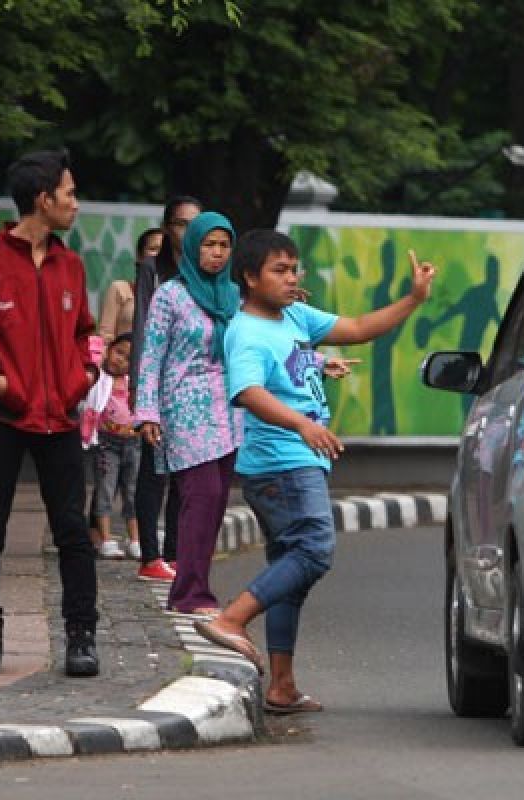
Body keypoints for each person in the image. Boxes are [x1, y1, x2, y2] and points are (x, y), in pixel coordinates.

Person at [193, 229, 435, 714]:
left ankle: (281, 687)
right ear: (249, 277)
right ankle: (231, 618)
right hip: (283, 461)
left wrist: (413, 299)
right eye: (279, 271)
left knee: (292, 570)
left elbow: (362, 327)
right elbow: (248, 392)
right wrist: (303, 424)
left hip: (296, 460)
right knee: (315, 549)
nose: (291, 278)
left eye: (293, 269)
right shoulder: (246, 330)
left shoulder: (296, 316)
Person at [0, 149, 100, 678]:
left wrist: (86, 376)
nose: (76, 204)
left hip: (61, 421)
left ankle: (81, 637)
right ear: (42, 199)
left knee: (73, 530)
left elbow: (84, 333)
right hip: (3, 416)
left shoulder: (71, 263)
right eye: (69, 194)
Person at [135, 212, 242, 615]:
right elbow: (151, 357)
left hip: (230, 410)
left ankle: (194, 587)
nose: (216, 253)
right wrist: (147, 412)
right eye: (208, 244)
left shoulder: (235, 296)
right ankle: (190, 593)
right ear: (194, 246)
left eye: (223, 245)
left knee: (215, 503)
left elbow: (258, 347)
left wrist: (315, 362)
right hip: (184, 406)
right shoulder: (171, 295)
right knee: (202, 495)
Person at [131, 198, 201, 583]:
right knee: (152, 471)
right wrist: (142, 392)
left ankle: (174, 552)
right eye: (179, 224)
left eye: (195, 224)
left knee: (184, 471)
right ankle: (150, 554)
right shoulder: (152, 270)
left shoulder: (208, 273)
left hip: (194, 387)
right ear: (166, 227)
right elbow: (143, 327)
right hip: (157, 383)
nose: (187, 232)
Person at [85, 333, 140, 559]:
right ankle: (106, 539)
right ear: (109, 349)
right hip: (107, 443)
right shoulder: (99, 379)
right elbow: (92, 347)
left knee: (133, 492)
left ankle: (135, 539)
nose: (120, 360)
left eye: (128, 358)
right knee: (105, 490)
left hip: (133, 443)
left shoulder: (132, 384)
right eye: (118, 352)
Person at [97, 228, 162, 346]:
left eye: (164, 251)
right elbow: (105, 337)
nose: (159, 255)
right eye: (153, 249)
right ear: (139, 256)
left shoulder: (176, 294)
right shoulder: (120, 289)